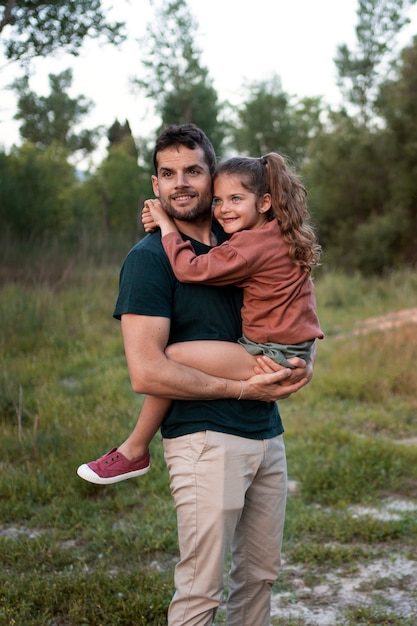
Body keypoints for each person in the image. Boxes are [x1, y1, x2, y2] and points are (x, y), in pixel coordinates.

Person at [78, 124, 315, 626]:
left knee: (259, 578)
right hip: (205, 441)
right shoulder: (149, 261)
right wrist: (244, 386)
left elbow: (285, 310)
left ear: (213, 178)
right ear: (155, 186)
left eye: (192, 171)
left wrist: (299, 367)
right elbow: (147, 372)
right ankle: (133, 449)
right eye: (167, 174)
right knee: (201, 590)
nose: (181, 183)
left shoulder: (240, 242)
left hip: (266, 435)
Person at [77, 151, 322, 487]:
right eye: (219, 200)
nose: (223, 209)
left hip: (271, 354)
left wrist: (166, 225)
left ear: (264, 202)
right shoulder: (280, 234)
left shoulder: (247, 246)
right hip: (294, 349)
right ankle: (134, 449)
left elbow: (189, 268)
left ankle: (134, 449)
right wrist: (307, 359)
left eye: (235, 199)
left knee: (172, 356)